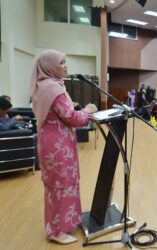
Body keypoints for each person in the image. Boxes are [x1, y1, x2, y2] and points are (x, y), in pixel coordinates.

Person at [30, 50, 97, 244]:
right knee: (62, 185)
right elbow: (72, 118)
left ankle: (67, 221)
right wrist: (88, 111)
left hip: (51, 142)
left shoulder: (44, 85)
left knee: (59, 185)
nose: (66, 66)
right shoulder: (54, 89)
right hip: (58, 146)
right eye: (61, 62)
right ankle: (56, 231)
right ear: (50, 67)